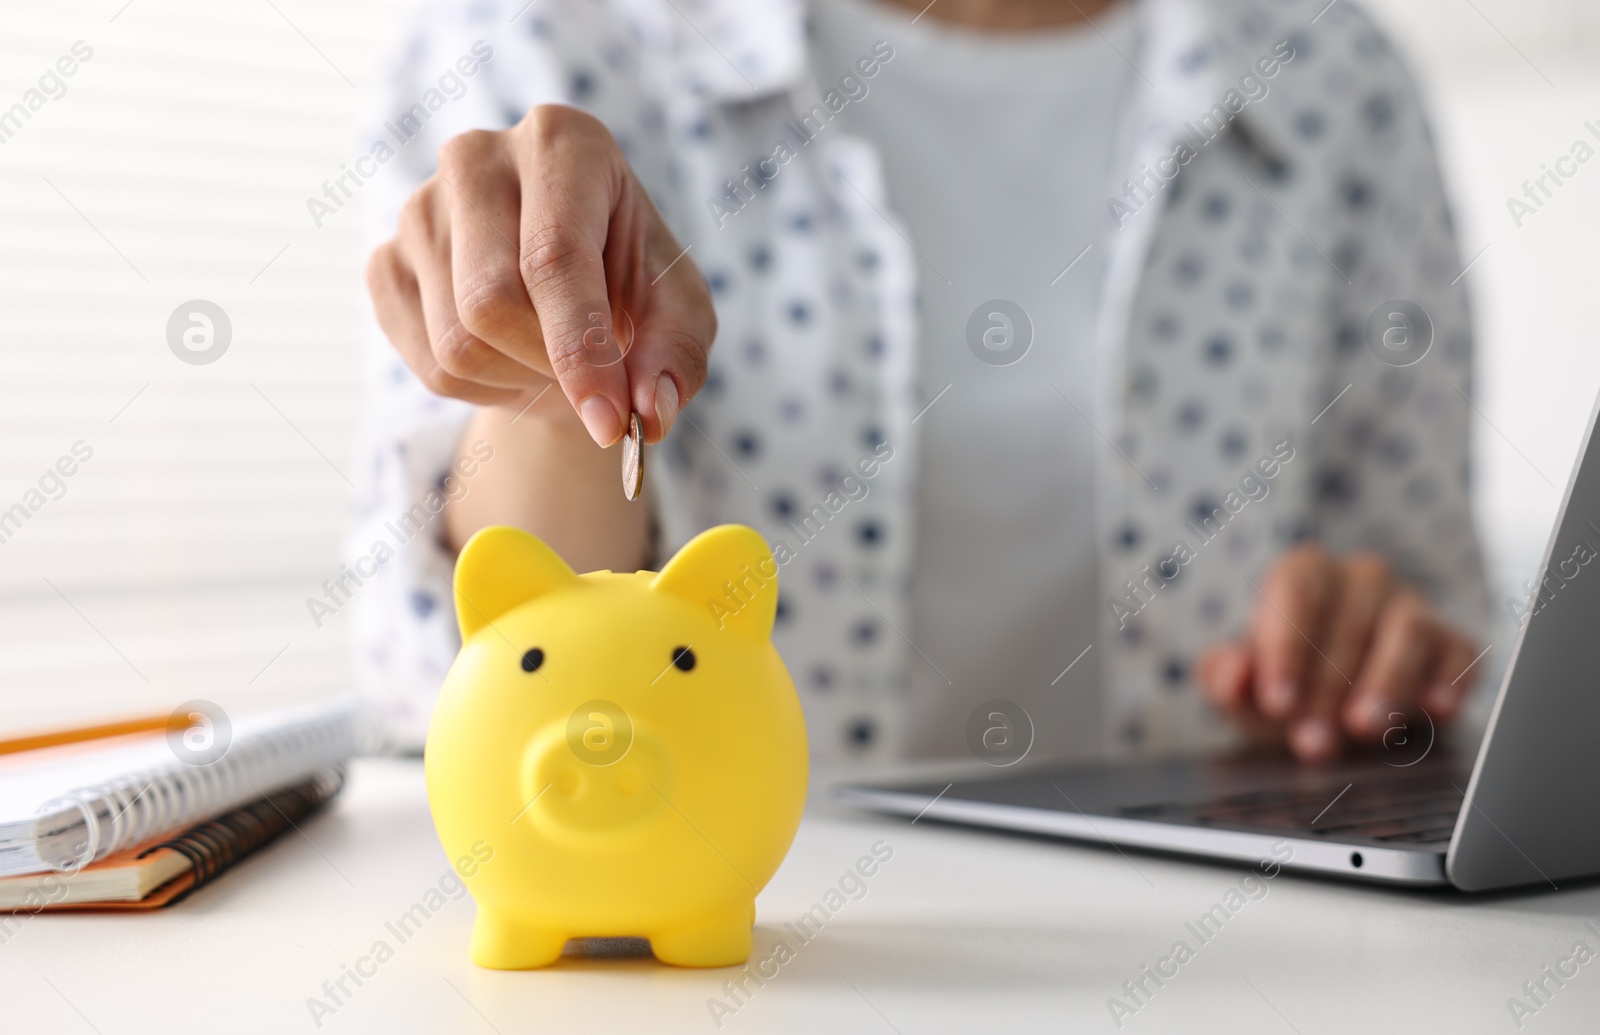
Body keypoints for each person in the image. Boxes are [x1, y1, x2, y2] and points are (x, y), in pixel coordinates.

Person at [352, 0, 1491, 766]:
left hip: (1223, 972)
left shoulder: (1333, 69)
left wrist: (1370, 655)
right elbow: (447, 690)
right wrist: (552, 393)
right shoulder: (541, 38)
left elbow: (1431, 603)